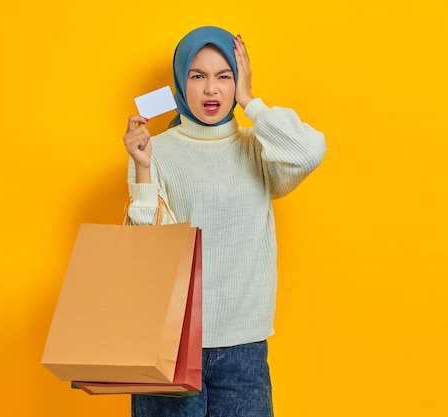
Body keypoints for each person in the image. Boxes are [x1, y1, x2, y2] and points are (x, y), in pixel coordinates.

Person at [122, 26, 326, 417]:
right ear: (182, 83)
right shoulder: (154, 150)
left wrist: (251, 102)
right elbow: (145, 247)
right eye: (198, 76)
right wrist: (143, 170)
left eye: (225, 76)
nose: (211, 90)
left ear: (239, 79)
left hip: (244, 346)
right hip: (170, 342)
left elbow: (310, 150)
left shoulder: (260, 148)